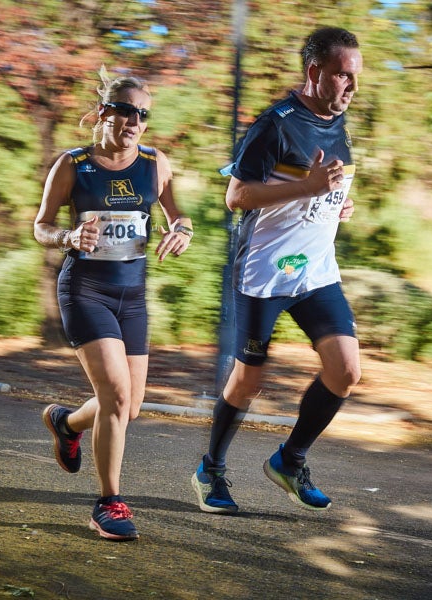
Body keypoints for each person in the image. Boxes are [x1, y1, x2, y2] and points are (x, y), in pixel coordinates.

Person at [191, 27, 362, 513]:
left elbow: (321, 185)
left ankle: (290, 460)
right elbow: (237, 196)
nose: (351, 86)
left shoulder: (338, 122)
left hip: (315, 273)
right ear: (314, 73)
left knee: (346, 370)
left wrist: (335, 203)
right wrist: (308, 189)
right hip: (264, 273)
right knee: (248, 382)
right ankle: (211, 469)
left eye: (355, 77)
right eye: (342, 76)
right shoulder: (275, 124)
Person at [34, 71, 193, 540]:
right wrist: (66, 235)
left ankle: (66, 423)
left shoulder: (154, 163)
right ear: (104, 113)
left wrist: (182, 230)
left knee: (129, 406)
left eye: (142, 114)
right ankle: (109, 502)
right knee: (117, 397)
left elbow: (178, 213)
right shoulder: (73, 163)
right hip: (85, 290)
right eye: (126, 110)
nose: (134, 121)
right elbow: (41, 226)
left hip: (133, 293)